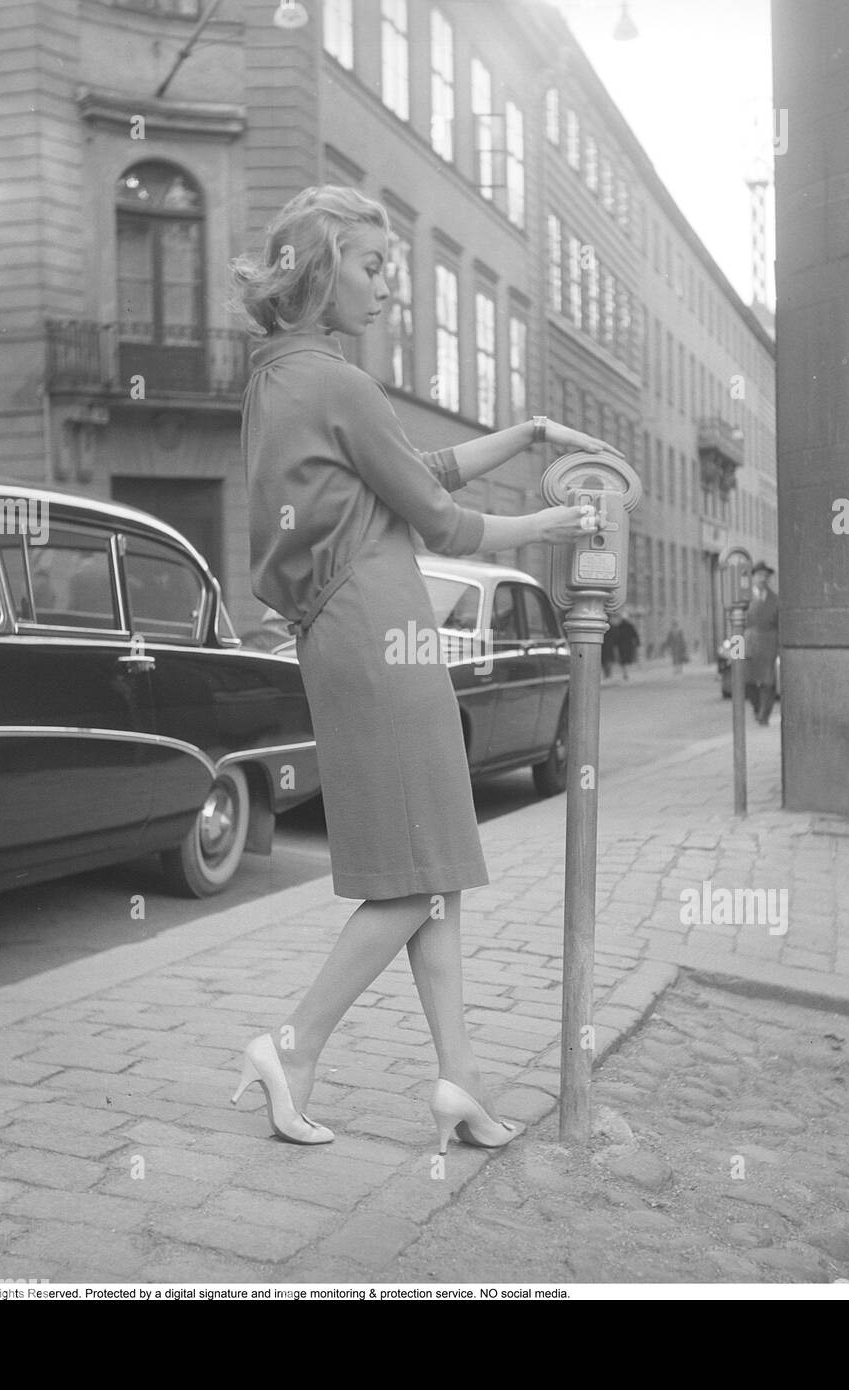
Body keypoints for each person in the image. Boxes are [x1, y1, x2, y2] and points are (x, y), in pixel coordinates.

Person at [229, 185, 624, 1150]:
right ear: (322, 270)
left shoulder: (282, 380)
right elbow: (441, 522)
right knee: (411, 876)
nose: (388, 288)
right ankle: (292, 1046)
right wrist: (560, 521)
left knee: (431, 863)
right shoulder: (337, 384)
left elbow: (418, 473)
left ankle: (459, 1081)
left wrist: (529, 435)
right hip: (379, 626)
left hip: (348, 629)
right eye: (373, 267)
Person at [744, 560, 780, 725]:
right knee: (747, 681)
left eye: (765, 576)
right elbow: (735, 625)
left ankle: (764, 715)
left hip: (768, 645)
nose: (762, 579)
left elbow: (779, 625)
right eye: (759, 575)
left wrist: (779, 648)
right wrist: (736, 651)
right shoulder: (744, 598)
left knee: (767, 682)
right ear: (753, 577)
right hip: (748, 645)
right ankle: (757, 707)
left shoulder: (775, 600)